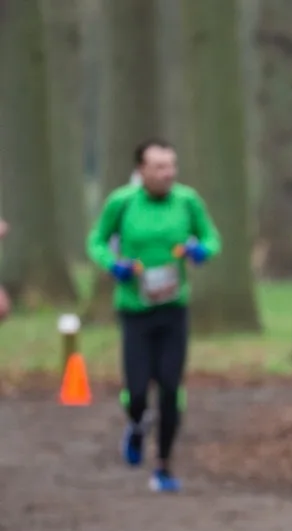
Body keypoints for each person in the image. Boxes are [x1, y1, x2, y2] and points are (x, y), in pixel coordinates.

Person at [86, 139, 221, 494]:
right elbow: (96, 241)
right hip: (135, 311)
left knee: (171, 388)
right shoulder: (122, 202)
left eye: (171, 166)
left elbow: (211, 237)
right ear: (141, 171)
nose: (167, 174)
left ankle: (163, 465)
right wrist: (114, 265)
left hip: (174, 309)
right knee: (136, 389)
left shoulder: (187, 201)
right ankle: (135, 424)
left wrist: (200, 250)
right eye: (159, 167)